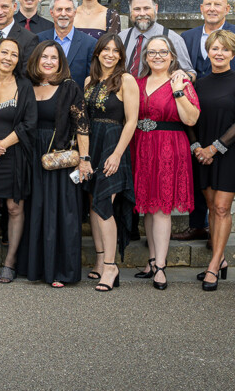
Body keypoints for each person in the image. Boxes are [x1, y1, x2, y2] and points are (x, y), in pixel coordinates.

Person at [175, 0, 235, 244]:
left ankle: (215, 232)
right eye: (208, 4)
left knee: (219, 189)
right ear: (201, 8)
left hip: (226, 112)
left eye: (218, 4)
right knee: (197, 172)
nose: (212, 8)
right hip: (197, 116)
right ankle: (196, 225)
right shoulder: (187, 37)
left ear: (227, 9)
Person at [18, 41, 89, 287]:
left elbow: (82, 126)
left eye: (54, 58)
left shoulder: (70, 87)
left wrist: (84, 159)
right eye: (44, 57)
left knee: (61, 212)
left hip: (58, 158)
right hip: (30, 154)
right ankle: (36, 268)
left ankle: (61, 270)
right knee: (35, 209)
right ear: (36, 60)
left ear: (61, 62)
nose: (49, 61)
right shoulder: (27, 86)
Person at [132, 35, 200, 291]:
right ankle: (151, 260)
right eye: (152, 52)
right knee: (148, 208)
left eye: (163, 52)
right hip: (141, 146)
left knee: (161, 208)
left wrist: (178, 91)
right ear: (146, 57)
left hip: (169, 148)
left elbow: (191, 119)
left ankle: (161, 266)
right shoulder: (137, 83)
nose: (157, 56)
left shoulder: (180, 81)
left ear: (172, 56)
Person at [191, 30, 235, 291]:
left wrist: (213, 149)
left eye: (224, 49)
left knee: (221, 208)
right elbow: (190, 119)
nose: (219, 53)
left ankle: (214, 264)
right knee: (209, 204)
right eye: (214, 48)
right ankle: (221, 259)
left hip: (228, 151)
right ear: (208, 51)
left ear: (233, 53)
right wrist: (197, 147)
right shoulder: (198, 84)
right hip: (202, 151)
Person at [82, 33, 138, 292]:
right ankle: (99, 259)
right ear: (97, 53)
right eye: (106, 49)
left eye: (116, 51)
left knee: (105, 203)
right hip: (91, 145)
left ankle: (111, 265)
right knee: (94, 202)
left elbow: (132, 121)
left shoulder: (126, 80)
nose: (110, 54)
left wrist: (116, 154)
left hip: (113, 144)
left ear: (121, 55)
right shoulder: (89, 81)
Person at [0, 37, 36, 283]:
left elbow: (29, 123)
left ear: (18, 60)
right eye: (4, 52)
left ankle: (10, 262)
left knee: (14, 207)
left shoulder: (24, 86)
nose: (8, 58)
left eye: (13, 54)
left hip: (14, 154)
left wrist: (1, 145)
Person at [121, 0, 194, 79]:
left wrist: (185, 76)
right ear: (130, 11)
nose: (142, 13)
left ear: (156, 9)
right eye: (137, 9)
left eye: (146, 8)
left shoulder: (173, 39)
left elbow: (190, 72)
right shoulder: (121, 38)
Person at [36, 0, 98, 86]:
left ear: (74, 12)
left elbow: (92, 80)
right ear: (52, 13)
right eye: (59, 9)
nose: (63, 14)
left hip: (76, 99)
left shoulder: (90, 44)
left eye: (68, 9)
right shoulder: (39, 40)